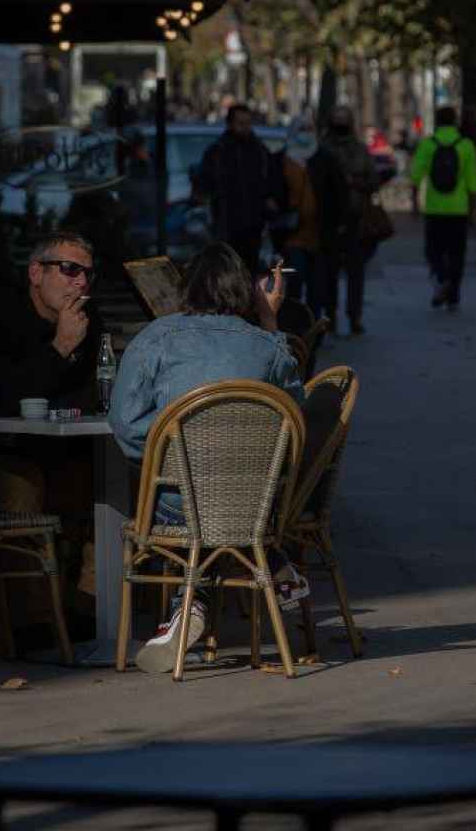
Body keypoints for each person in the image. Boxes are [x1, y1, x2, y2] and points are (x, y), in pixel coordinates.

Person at [107, 243, 308, 673]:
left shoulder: (157, 337)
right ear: (246, 291)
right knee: (232, 511)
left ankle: (191, 602)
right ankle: (268, 561)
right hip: (254, 504)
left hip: (178, 500)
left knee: (169, 496)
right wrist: (270, 318)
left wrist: (175, 449)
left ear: (189, 288)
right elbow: (296, 423)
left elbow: (124, 426)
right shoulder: (269, 348)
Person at [0, 231, 104, 521]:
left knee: (114, 477)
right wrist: (60, 347)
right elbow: (4, 401)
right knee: (22, 484)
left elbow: (91, 394)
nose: (81, 282)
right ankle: (27, 564)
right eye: (70, 270)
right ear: (36, 273)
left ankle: (96, 566)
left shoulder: (87, 319)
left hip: (58, 448)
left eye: (87, 274)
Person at [409, 105, 476, 310]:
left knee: (433, 250)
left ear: (437, 122)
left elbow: (415, 175)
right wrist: (474, 208)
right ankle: (454, 294)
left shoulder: (428, 144)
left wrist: (415, 203)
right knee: (457, 252)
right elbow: (473, 181)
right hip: (459, 208)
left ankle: (441, 279)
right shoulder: (466, 146)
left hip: (434, 208)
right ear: (455, 121)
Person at [278, 124, 349, 324]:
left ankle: (312, 328)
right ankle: (293, 326)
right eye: (301, 128)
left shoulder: (325, 159)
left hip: (321, 236)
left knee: (317, 287)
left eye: (309, 129)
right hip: (293, 236)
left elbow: (339, 193)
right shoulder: (282, 160)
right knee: (295, 282)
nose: (305, 134)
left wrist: (338, 223)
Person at [194, 104, 276, 273]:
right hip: (226, 224)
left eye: (247, 123)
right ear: (230, 124)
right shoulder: (217, 152)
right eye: (240, 123)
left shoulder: (260, 151)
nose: (245, 127)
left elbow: (271, 182)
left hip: (254, 226)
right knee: (227, 271)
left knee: (249, 271)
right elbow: (204, 184)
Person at [320, 107, 379, 334]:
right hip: (330, 218)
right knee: (329, 271)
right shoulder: (323, 148)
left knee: (356, 271)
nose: (341, 123)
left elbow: (373, 179)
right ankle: (330, 317)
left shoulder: (360, 149)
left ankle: (355, 317)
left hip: (356, 217)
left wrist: (353, 182)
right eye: (337, 119)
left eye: (345, 119)